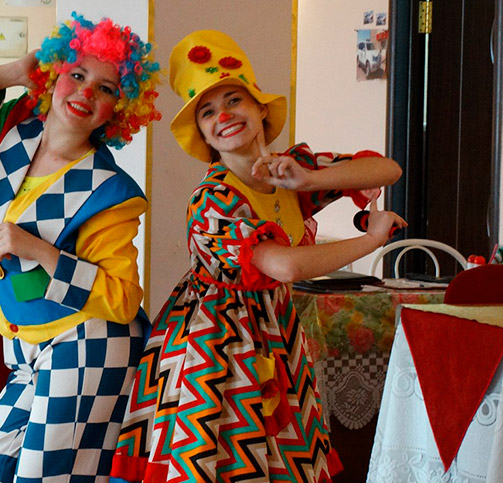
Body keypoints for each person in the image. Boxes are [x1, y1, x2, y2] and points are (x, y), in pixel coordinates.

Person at [109, 30, 405, 483]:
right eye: (208, 112)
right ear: (202, 134)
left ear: (261, 108)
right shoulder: (212, 199)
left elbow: (387, 168)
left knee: (280, 458)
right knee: (218, 462)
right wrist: (371, 241)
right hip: (214, 345)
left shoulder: (291, 170)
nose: (224, 116)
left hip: (275, 331)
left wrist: (308, 180)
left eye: (234, 101)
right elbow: (285, 265)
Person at [0, 12, 161, 482]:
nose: (86, 92)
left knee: (45, 477)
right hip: (24, 347)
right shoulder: (10, 133)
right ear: (53, 76)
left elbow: (124, 299)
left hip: (89, 344)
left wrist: (42, 251)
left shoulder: (110, 191)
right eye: (76, 75)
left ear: (119, 108)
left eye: (105, 88)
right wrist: (9, 74)